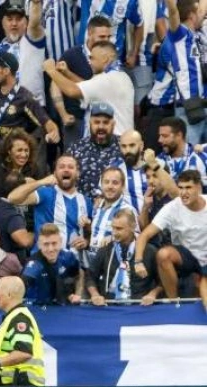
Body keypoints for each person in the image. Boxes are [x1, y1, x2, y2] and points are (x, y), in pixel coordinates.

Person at [134, 170, 207, 308]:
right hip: (186, 257)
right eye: (180, 188)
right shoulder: (171, 208)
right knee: (163, 254)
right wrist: (138, 261)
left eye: (188, 187)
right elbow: (144, 235)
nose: (183, 192)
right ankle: (174, 303)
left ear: (199, 187)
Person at [146, 0, 206, 146]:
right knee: (188, 156)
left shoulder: (198, 36)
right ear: (191, 15)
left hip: (202, 104)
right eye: (200, 13)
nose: (204, 15)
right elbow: (173, 12)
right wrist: (171, 5)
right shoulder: (180, 35)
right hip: (187, 107)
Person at [43, 41, 135, 134]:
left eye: (92, 58)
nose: (89, 61)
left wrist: (51, 71)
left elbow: (72, 91)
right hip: (117, 140)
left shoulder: (108, 79)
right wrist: (67, 73)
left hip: (113, 143)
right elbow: (89, 87)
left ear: (105, 59)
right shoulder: (117, 75)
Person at [7, 155, 93, 252]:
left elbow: (91, 233)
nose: (66, 170)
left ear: (77, 173)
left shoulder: (87, 201)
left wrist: (86, 241)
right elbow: (12, 198)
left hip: (73, 261)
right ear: (55, 173)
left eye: (70, 167)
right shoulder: (46, 193)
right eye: (61, 167)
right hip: (44, 260)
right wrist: (41, 182)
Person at [52, 15, 113, 149]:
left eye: (109, 37)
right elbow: (55, 82)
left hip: (102, 120)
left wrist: (67, 73)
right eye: (102, 37)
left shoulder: (111, 59)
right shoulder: (72, 54)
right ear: (89, 34)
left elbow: (97, 90)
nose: (106, 41)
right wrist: (63, 114)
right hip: (76, 118)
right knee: (72, 161)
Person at [0, 51, 59, 144]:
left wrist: (53, 132)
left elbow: (46, 122)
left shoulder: (24, 97)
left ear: (6, 71)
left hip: (11, 152)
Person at [87, 210, 162, 305]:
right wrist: (95, 295)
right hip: (109, 306)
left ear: (133, 227)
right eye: (113, 228)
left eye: (119, 229)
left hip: (139, 307)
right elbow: (90, 276)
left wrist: (153, 294)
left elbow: (162, 282)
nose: (114, 233)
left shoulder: (149, 251)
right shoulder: (106, 249)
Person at [0, 276, 45, 387]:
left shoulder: (19, 318)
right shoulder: (15, 317)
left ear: (9, 295)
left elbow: (24, 353)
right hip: (16, 386)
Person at [0, 0, 47, 106]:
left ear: (26, 23)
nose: (14, 23)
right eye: (9, 20)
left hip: (33, 107)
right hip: (3, 110)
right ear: (3, 23)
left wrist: (36, 4)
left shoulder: (34, 41)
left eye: (18, 19)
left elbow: (35, 24)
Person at [66, 102, 123, 199]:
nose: (101, 127)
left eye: (105, 122)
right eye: (97, 122)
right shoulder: (76, 148)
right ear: (90, 123)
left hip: (114, 207)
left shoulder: (124, 145)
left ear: (113, 124)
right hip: (82, 206)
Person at [22, 223, 83, 305]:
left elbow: (79, 274)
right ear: (39, 245)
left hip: (61, 309)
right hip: (37, 308)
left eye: (54, 243)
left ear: (60, 242)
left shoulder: (68, 257)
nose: (51, 249)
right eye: (46, 244)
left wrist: (77, 294)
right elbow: (21, 285)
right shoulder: (34, 264)